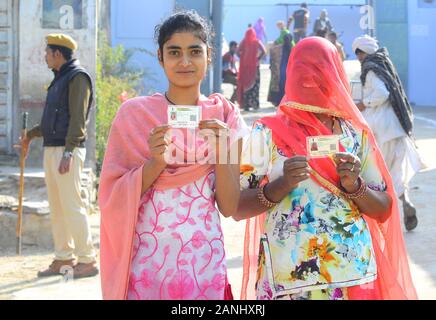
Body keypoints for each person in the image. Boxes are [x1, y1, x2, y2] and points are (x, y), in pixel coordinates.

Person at [235, 37, 417, 300]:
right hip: (289, 281)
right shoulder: (267, 133)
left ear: (335, 72)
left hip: (349, 278)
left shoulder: (355, 134)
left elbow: (383, 209)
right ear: (291, 71)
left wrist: (356, 186)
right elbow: (237, 207)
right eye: (303, 67)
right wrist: (281, 185)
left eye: (320, 67)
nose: (311, 76)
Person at [98, 10, 250, 300]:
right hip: (147, 268)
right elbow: (112, 196)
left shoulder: (225, 115)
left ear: (209, 56)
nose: (184, 61)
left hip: (204, 266)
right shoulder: (134, 114)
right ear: (160, 57)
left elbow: (229, 206)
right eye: (174, 52)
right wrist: (156, 163)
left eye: (194, 51)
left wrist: (222, 151)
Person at [19, 34, 98, 279]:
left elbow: (78, 120)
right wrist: (31, 135)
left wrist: (69, 151)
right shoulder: (59, 79)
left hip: (67, 151)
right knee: (57, 207)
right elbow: (52, 120)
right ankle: (63, 256)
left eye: (47, 52)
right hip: (52, 149)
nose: (44, 56)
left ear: (57, 54)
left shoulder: (78, 78)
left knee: (73, 206)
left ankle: (87, 260)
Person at [352, 35, 426, 231]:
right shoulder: (383, 63)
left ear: (364, 51)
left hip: (382, 130)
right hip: (395, 128)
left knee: (381, 175)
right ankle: (406, 202)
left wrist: (363, 103)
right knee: (394, 174)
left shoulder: (371, 69)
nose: (358, 57)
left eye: (359, 53)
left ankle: (388, 221)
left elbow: (382, 94)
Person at [237, 28, 267, 111]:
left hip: (245, 68)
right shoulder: (257, 42)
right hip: (255, 67)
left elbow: (237, 51)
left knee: (246, 84)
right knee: (255, 85)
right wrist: (258, 58)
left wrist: (242, 59)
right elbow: (264, 51)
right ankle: (254, 104)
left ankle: (246, 105)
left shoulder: (244, 42)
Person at [278, 33, 294, 102]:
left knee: (282, 84)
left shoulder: (279, 48)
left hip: (282, 69)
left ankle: (281, 100)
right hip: (289, 70)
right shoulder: (292, 48)